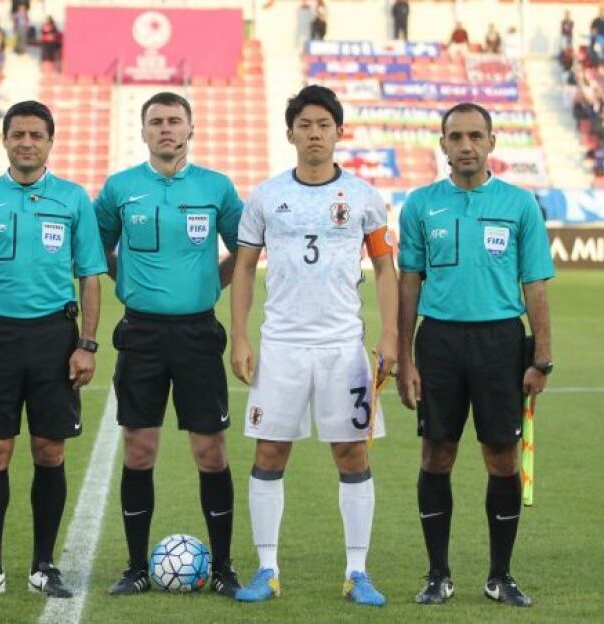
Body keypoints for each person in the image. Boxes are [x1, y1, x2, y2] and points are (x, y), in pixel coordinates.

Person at [230, 85, 396, 606]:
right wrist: (240, 335)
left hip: (343, 348)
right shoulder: (265, 196)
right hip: (281, 345)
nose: (315, 134)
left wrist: (391, 335)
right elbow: (243, 269)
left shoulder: (364, 197)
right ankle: (267, 570)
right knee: (269, 451)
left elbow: (385, 269)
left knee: (351, 452)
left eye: (324, 125)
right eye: (305, 125)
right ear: (290, 134)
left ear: (339, 132)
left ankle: (357, 573)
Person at [396, 102, 554, 607]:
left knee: (502, 457)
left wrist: (541, 359)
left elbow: (535, 285)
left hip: (500, 343)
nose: (466, 145)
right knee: (436, 453)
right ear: (443, 144)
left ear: (491, 142)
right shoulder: (420, 205)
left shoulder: (520, 205)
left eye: (475, 136)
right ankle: (437, 575)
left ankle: (500, 576)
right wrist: (405, 357)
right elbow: (409, 283)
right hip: (439, 343)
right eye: (456, 137)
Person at [94, 91, 244, 598]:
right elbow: (95, 246)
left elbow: (246, 249)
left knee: (210, 450)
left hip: (199, 333)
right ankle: (136, 567)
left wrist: (213, 282)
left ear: (190, 129)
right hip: (141, 333)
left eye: (174, 120)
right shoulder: (120, 188)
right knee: (140, 448)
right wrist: (126, 279)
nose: (165, 128)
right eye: (156, 121)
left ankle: (223, 567)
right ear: (142, 131)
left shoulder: (216, 187)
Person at [0, 100, 106, 599]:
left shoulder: (73, 199)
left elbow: (90, 275)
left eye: (36, 135)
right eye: (17, 134)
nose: (26, 143)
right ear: (4, 140)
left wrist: (86, 344)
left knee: (49, 450)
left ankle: (44, 565)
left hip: (54, 339)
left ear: (50, 142)